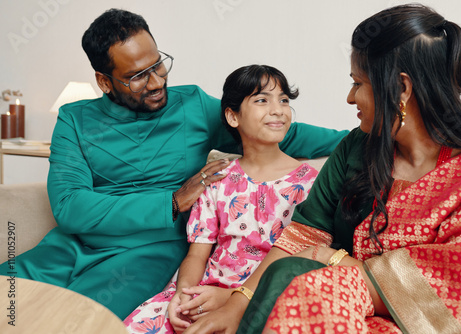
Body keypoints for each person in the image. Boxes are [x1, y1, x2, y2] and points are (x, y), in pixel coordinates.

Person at [0, 9, 348, 319]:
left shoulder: (192, 105)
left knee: (72, 318)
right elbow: (69, 206)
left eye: (158, 65)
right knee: (9, 297)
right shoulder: (74, 119)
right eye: (137, 76)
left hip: (150, 249)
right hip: (71, 244)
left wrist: (362, 136)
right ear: (104, 81)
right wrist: (171, 201)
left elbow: (270, 127)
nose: (156, 82)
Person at [183, 4, 461, 334]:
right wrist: (238, 304)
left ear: (401, 89)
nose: (350, 98)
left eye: (358, 83)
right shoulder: (357, 148)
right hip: (339, 309)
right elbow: (304, 235)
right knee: (289, 271)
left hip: (424, 324)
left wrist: (331, 259)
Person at [123, 64, 320, 334]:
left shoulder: (310, 183)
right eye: (262, 100)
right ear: (232, 116)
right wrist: (184, 295)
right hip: (204, 292)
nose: (278, 110)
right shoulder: (218, 179)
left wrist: (228, 299)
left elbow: (302, 264)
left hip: (266, 298)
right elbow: (197, 254)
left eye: (284, 100)